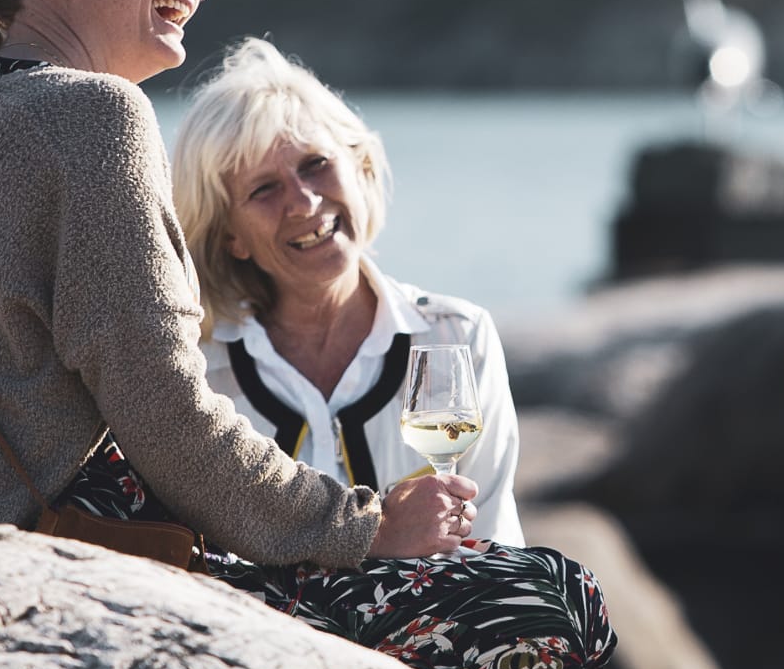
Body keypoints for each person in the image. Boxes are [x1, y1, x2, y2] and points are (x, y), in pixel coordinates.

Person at [0, 0, 612, 669]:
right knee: (553, 602)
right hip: (67, 579)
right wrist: (365, 526)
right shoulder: (96, 115)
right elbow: (165, 414)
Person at [172, 39, 528, 546]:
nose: (304, 201)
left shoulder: (459, 336)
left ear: (360, 171)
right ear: (231, 236)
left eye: (315, 163)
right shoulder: (196, 369)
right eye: (264, 189)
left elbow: (492, 542)